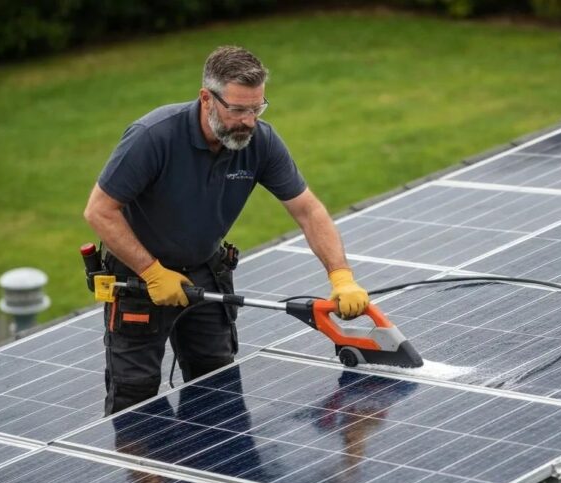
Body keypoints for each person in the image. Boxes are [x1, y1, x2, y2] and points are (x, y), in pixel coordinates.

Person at [84, 45, 369, 415]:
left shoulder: (259, 142)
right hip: (139, 280)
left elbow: (309, 211)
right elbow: (100, 211)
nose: (249, 121)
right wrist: (152, 271)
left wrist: (341, 276)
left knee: (215, 386)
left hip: (205, 272)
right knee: (134, 398)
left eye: (257, 108)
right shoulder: (154, 137)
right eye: (238, 109)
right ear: (206, 98)